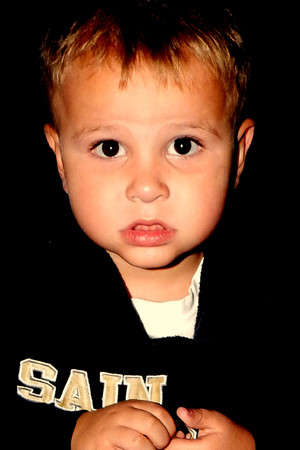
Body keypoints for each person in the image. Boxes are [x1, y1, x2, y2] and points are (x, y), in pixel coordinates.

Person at [15, 1, 265, 448]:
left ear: (239, 154)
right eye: (109, 147)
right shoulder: (21, 295)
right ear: (59, 159)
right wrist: (67, 438)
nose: (147, 187)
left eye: (183, 145)